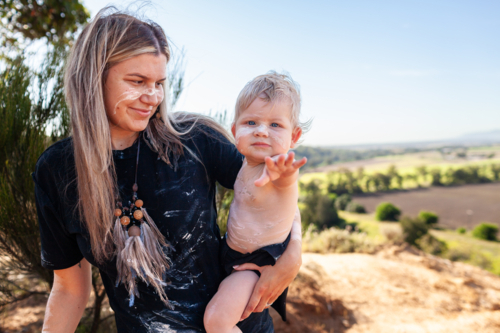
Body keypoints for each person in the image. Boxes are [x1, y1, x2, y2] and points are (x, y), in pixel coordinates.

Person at [32, 8, 302, 333]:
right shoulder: (57, 171)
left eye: (159, 82)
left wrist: (292, 255)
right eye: (138, 81)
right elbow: (70, 289)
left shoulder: (195, 139)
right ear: (93, 79)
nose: (153, 97)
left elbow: (270, 186)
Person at [204, 72, 306, 333]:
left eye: (275, 125)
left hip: (256, 264)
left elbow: (285, 184)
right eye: (251, 122)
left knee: (217, 321)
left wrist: (284, 174)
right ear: (235, 130)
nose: (261, 131)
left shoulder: (276, 171)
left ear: (293, 137)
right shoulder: (245, 166)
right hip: (234, 257)